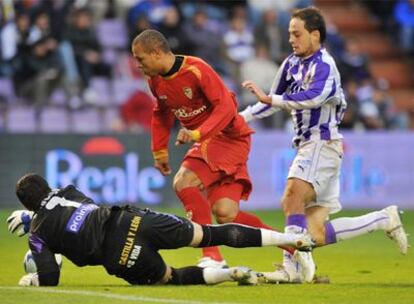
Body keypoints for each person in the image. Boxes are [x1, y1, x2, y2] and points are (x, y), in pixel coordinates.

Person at [240, 6, 409, 283]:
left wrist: (273, 101)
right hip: (313, 148)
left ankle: (292, 267)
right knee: (315, 233)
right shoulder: (291, 64)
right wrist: (240, 118)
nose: (291, 40)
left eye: (296, 34)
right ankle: (383, 219)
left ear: (315, 35)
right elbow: (271, 99)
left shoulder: (326, 66)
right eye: (289, 34)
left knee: (291, 196)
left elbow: (313, 97)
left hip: (321, 144)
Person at [131, 29, 299, 268]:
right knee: (226, 213)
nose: (137, 64)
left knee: (184, 182)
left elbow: (226, 109)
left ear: (156, 52)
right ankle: (294, 246)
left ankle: (212, 256)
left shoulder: (196, 69)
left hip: (228, 136)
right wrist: (159, 151)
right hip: (208, 140)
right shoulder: (155, 81)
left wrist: (198, 133)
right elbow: (161, 113)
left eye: (140, 58)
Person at [6, 173, 313, 287]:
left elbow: (51, 278)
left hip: (119, 253)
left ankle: (226, 274)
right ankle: (289, 238)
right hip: (131, 219)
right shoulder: (68, 192)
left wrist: (32, 279)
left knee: (172, 277)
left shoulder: (38, 232)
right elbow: (55, 199)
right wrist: (32, 213)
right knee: (208, 234)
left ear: (25, 205)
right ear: (47, 186)